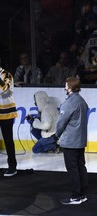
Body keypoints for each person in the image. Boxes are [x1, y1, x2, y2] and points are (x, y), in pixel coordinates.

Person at [53, 77, 88, 205]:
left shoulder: (69, 103)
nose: (65, 87)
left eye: (66, 85)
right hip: (80, 140)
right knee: (80, 166)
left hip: (71, 142)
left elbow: (61, 123)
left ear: (69, 87)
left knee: (73, 169)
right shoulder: (82, 101)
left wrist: (56, 135)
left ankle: (76, 196)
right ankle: (82, 193)